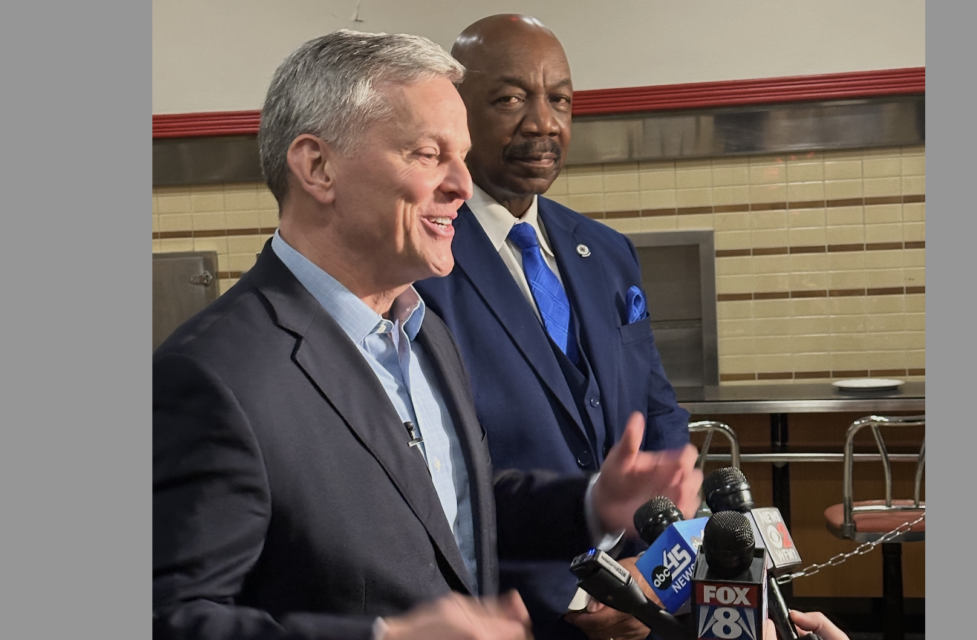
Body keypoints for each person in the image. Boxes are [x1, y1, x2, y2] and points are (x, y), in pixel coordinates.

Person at [152, 29, 704, 640]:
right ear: (317, 167)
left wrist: (590, 506)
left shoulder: (422, 332)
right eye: (426, 154)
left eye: (461, 157)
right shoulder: (210, 376)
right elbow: (168, 619)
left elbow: (447, 503)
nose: (462, 186)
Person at [412, 14, 692, 640]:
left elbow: (661, 415)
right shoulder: (418, 267)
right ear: (456, 115)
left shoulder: (607, 251)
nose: (542, 122)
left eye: (559, 99)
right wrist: (572, 599)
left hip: (645, 597)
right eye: (511, 98)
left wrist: (654, 572)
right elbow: (434, 478)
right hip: (511, 612)